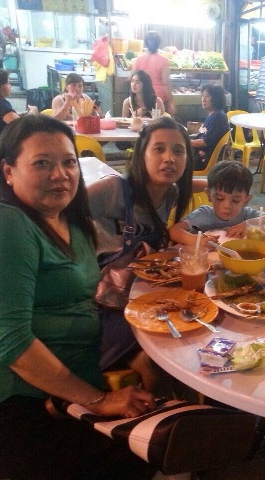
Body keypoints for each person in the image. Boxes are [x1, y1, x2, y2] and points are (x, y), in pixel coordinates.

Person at [0, 115, 156, 480]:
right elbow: (12, 344)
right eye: (42, 163)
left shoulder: (72, 223)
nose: (60, 174)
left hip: (67, 391)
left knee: (161, 435)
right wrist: (98, 400)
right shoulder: (8, 222)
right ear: (8, 172)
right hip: (8, 400)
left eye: (68, 162)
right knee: (138, 458)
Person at [88, 117, 196, 396]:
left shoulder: (170, 194)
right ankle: (167, 413)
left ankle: (191, 409)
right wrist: (0, 205)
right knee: (159, 356)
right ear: (142, 154)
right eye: (159, 149)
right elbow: (59, 207)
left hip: (139, 296)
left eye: (178, 151)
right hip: (102, 305)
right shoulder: (113, 190)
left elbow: (197, 184)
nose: (169, 158)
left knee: (190, 333)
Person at [170, 161, 265, 245]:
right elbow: (173, 231)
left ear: (246, 200)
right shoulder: (204, 214)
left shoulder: (246, 214)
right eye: (219, 198)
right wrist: (196, 240)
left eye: (235, 200)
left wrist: (246, 225)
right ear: (209, 195)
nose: (227, 206)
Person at [132, 31, 175, 115]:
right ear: (158, 44)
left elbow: (131, 77)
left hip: (142, 98)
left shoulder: (138, 60)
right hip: (159, 99)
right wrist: (171, 102)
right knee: (160, 121)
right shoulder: (164, 61)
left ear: (146, 44)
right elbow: (166, 83)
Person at [190, 83, 230, 171]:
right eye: (202, 96)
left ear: (216, 98)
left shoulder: (217, 117)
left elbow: (204, 142)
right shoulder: (213, 115)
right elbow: (203, 135)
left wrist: (185, 141)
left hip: (204, 160)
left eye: (207, 96)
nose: (203, 99)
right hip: (200, 156)